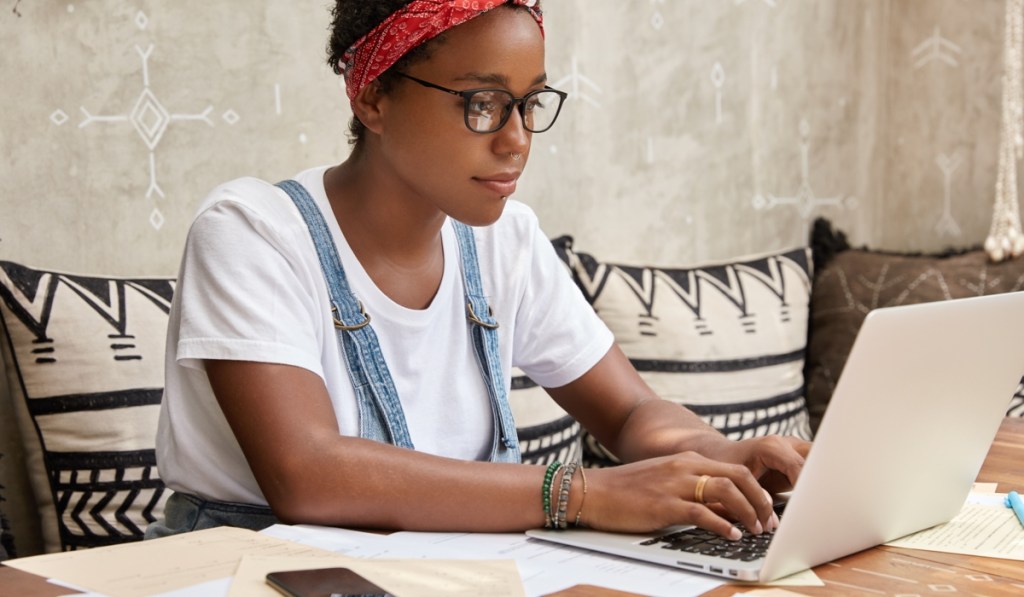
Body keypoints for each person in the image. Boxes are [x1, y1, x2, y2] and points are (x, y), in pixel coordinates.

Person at [147, 0, 809, 542]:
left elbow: (630, 408)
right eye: (482, 103)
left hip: (448, 569)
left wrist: (713, 456)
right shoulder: (252, 233)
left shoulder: (504, 241)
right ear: (374, 99)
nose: (516, 138)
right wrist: (580, 492)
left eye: (529, 104)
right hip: (256, 569)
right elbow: (309, 473)